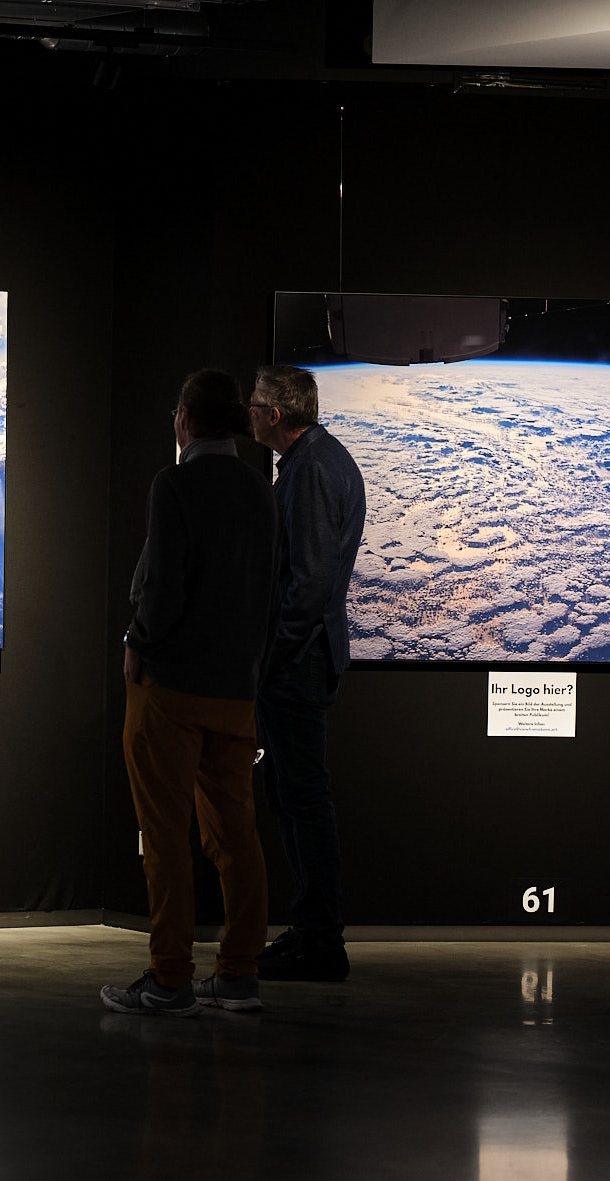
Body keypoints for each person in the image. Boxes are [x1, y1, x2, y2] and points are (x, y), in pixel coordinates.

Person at [101, 369, 281, 1018]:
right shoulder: (263, 492)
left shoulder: (172, 485)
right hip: (238, 692)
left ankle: (170, 976)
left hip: (171, 689)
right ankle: (238, 974)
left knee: (165, 835)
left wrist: (136, 640)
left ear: (186, 421)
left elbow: (164, 590)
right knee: (237, 835)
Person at [248, 365, 366, 982]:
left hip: (298, 661)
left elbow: (310, 584)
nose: (249, 411)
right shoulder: (311, 461)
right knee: (294, 797)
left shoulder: (312, 469)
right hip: (301, 658)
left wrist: (270, 659)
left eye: (256, 403)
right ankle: (312, 932)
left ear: (276, 415)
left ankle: (321, 941)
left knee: (304, 799)